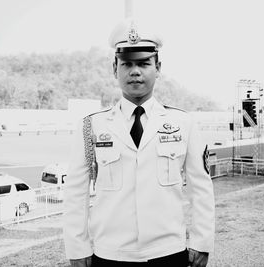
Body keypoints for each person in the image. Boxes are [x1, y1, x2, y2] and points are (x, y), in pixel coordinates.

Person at [63, 18, 215, 267]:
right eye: (127, 64)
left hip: (168, 252)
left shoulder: (183, 123)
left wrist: (202, 241)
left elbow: (201, 189)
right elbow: (75, 194)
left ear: (158, 67)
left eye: (144, 63)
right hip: (111, 254)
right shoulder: (91, 126)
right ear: (115, 68)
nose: (135, 71)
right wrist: (77, 247)